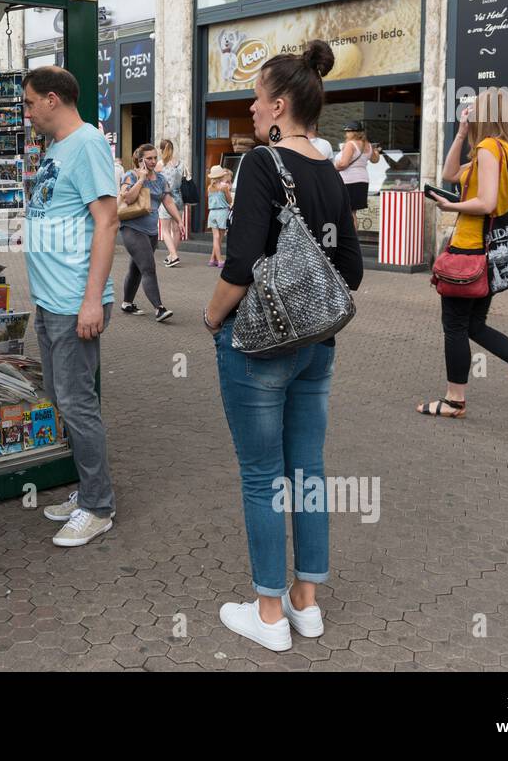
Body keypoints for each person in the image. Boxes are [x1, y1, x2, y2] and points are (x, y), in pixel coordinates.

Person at [202, 40, 364, 652]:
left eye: (255, 97)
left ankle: (268, 614)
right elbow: (350, 266)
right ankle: (307, 602)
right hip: (318, 344)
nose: (248, 106)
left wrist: (214, 318)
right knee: (309, 472)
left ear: (278, 106)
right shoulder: (328, 170)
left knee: (262, 477)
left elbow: (239, 264)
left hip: (259, 345)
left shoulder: (262, 167)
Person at [22, 65, 121, 548]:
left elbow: (107, 222)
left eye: (29, 103)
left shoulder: (87, 145)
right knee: (64, 399)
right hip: (51, 297)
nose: (26, 112)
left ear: (53, 99)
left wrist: (91, 301)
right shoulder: (58, 148)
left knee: (78, 404)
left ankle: (99, 506)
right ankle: (88, 492)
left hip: (72, 300)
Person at [420, 91, 508, 421]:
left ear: (484, 115)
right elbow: (450, 175)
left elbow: (485, 203)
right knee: (474, 325)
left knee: (455, 327)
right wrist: (460, 134)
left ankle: (454, 401)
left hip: (469, 252)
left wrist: (450, 205)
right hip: (488, 256)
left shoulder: (488, 150)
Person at [118, 144, 181, 322]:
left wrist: (179, 220)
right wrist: (142, 178)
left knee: (136, 267)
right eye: (149, 158)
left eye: (155, 157)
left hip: (151, 231)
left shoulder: (161, 179)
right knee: (148, 267)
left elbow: (168, 202)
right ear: (140, 160)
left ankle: (127, 303)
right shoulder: (130, 175)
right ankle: (159, 308)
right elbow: (128, 198)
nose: (153, 161)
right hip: (132, 228)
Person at [333, 122, 381, 219]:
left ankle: (347, 234)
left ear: (354, 133)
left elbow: (343, 164)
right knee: (353, 213)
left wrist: (333, 166)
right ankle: (353, 234)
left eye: (347, 131)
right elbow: (375, 160)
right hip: (363, 180)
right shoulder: (368, 145)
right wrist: (376, 151)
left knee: (346, 212)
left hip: (349, 181)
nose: (345, 134)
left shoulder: (350, 144)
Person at [156, 139, 185, 267]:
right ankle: (172, 254)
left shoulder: (160, 164)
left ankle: (174, 255)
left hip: (166, 198)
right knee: (177, 229)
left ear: (161, 150)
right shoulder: (180, 163)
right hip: (179, 197)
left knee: (166, 230)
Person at [206, 164, 233, 267]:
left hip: (212, 213)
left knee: (215, 238)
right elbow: (229, 200)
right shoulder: (224, 187)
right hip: (222, 213)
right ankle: (220, 260)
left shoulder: (209, 187)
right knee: (219, 238)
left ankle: (212, 259)